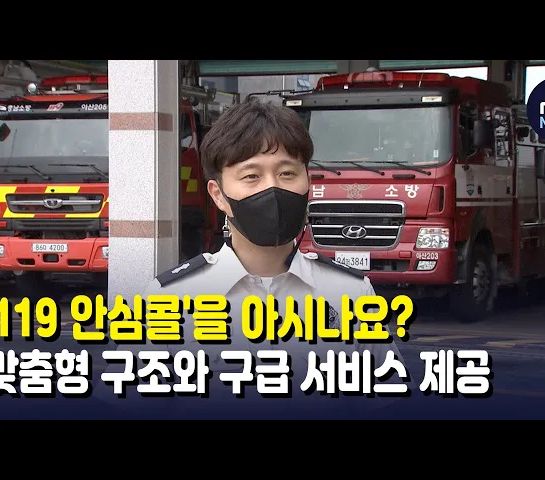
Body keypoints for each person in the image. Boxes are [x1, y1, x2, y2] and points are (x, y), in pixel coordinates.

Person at [94, 99, 407, 419]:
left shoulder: (351, 294)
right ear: (218, 195)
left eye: (287, 173)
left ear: (308, 182)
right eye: (251, 176)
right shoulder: (169, 299)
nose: (273, 189)